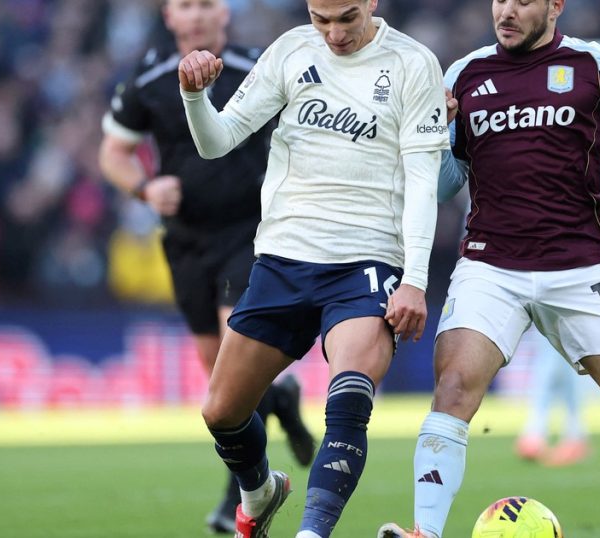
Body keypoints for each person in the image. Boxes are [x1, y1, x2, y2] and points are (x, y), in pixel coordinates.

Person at [378, 1, 600, 537]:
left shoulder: (596, 67)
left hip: (577, 269)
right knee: (453, 387)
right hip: (489, 266)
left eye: (523, 0)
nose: (506, 10)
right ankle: (424, 533)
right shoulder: (464, 75)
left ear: (554, 6)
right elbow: (444, 186)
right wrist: (436, 140)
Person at [177, 0, 450, 536]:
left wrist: (415, 279)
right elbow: (217, 142)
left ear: (371, 2)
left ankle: (312, 532)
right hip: (283, 258)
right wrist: (194, 96)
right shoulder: (291, 50)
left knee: (348, 395)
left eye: (346, 18)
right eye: (320, 19)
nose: (333, 33)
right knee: (221, 411)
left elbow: (423, 181)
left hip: (366, 260)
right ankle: (260, 491)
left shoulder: (413, 64)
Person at [97, 0, 316, 533]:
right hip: (187, 242)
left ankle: (240, 494)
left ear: (225, 14)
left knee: (229, 371)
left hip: (252, 233)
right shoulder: (147, 77)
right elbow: (113, 153)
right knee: (215, 365)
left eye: (206, 4)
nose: (195, 16)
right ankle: (280, 397)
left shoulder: (257, 68)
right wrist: (145, 187)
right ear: (169, 16)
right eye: (184, 6)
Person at [513, 136, 600, 467]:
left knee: (559, 339)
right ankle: (573, 432)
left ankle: (538, 427)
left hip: (593, 244)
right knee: (564, 339)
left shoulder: (597, 120)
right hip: (557, 241)